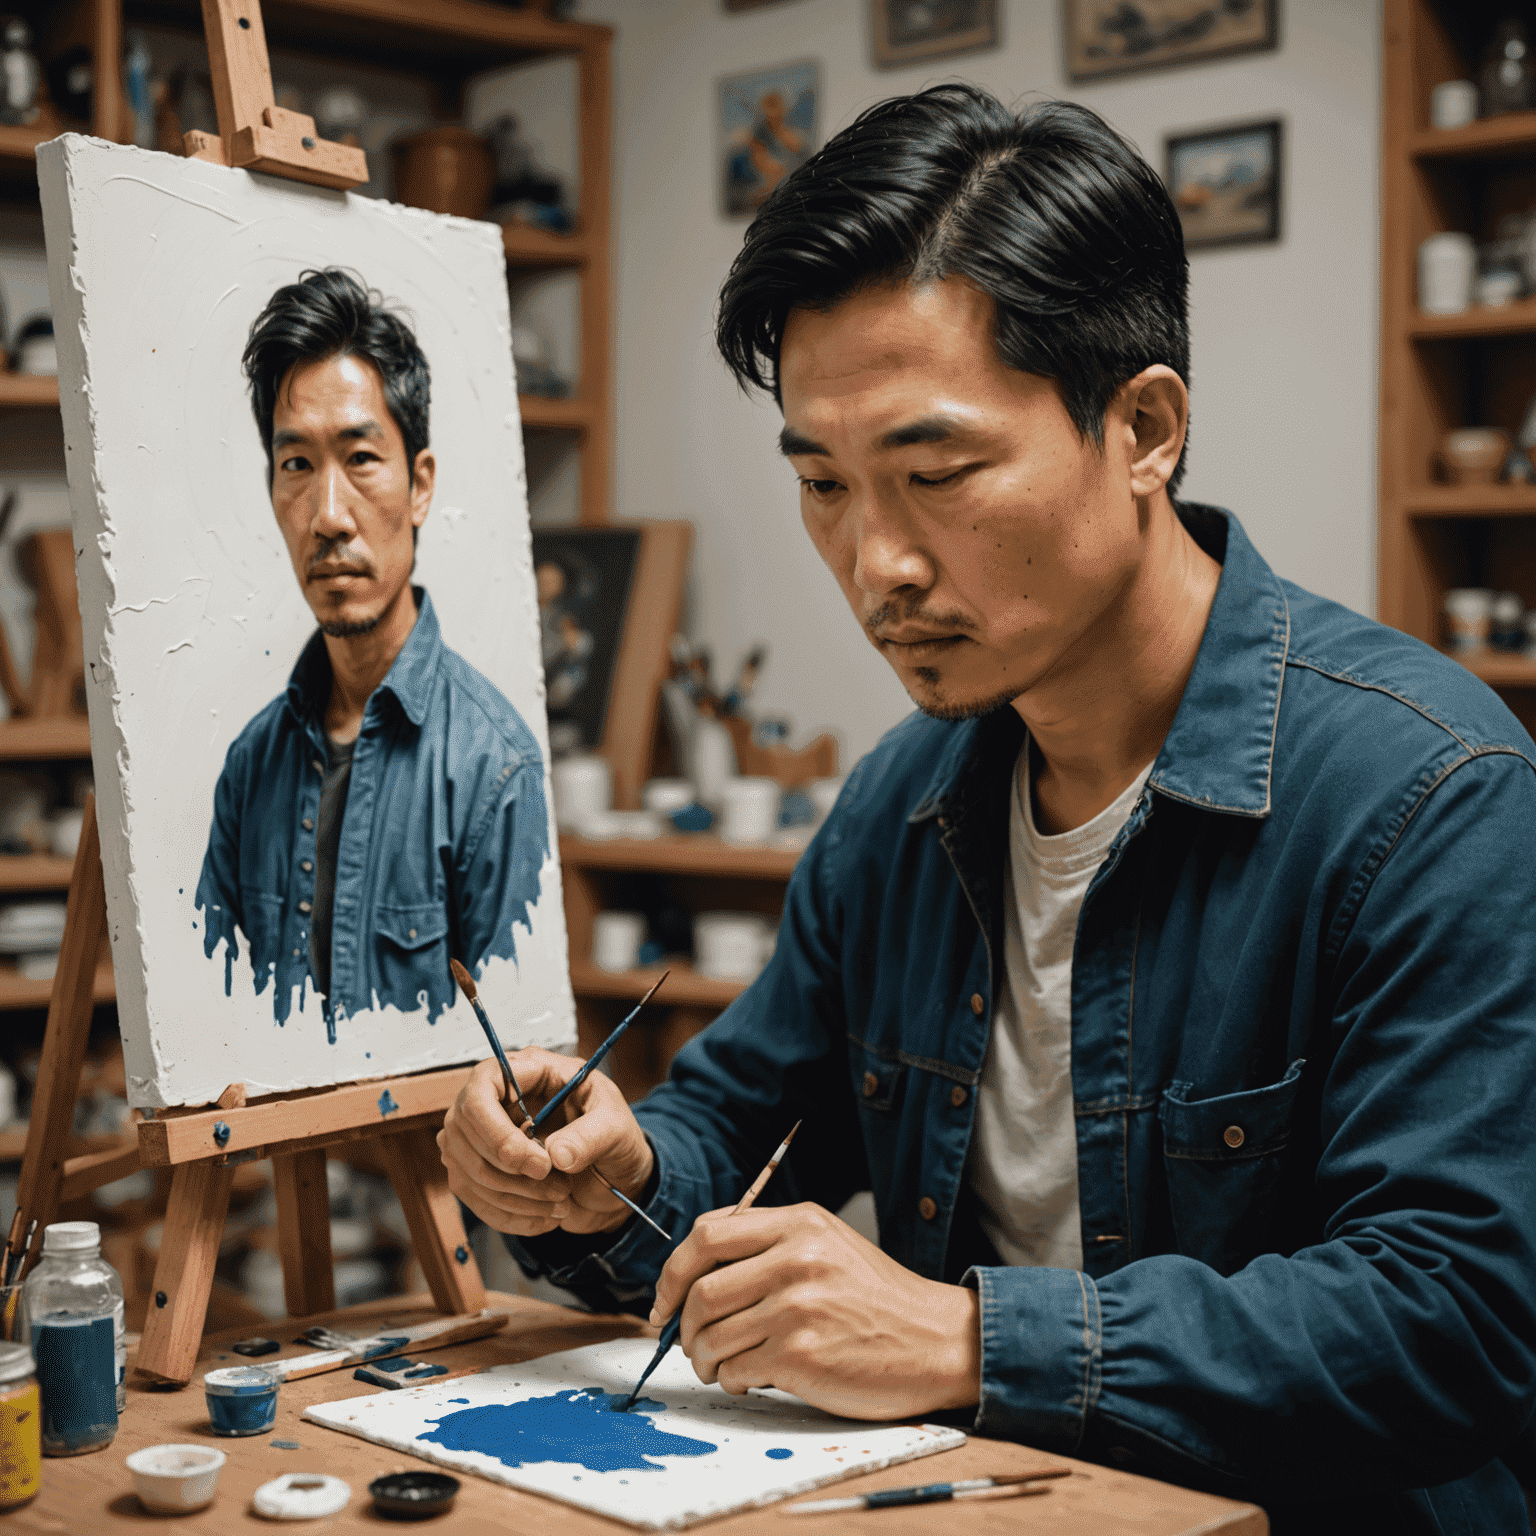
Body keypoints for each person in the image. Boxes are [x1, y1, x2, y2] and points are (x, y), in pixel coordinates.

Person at [438, 87, 1536, 1532]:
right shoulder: (907, 798)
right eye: (824, 484)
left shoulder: (1432, 795)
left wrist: (965, 1341)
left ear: (1143, 428)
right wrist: (615, 1174)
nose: (875, 560)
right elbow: (743, 1113)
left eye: (935, 474)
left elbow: (1455, 1316)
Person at [195, 268, 549, 1039]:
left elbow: (522, 1076)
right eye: (297, 466)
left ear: (419, 486)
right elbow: (212, 1031)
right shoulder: (251, 764)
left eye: (360, 460)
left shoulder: (495, 767)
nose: (328, 516)